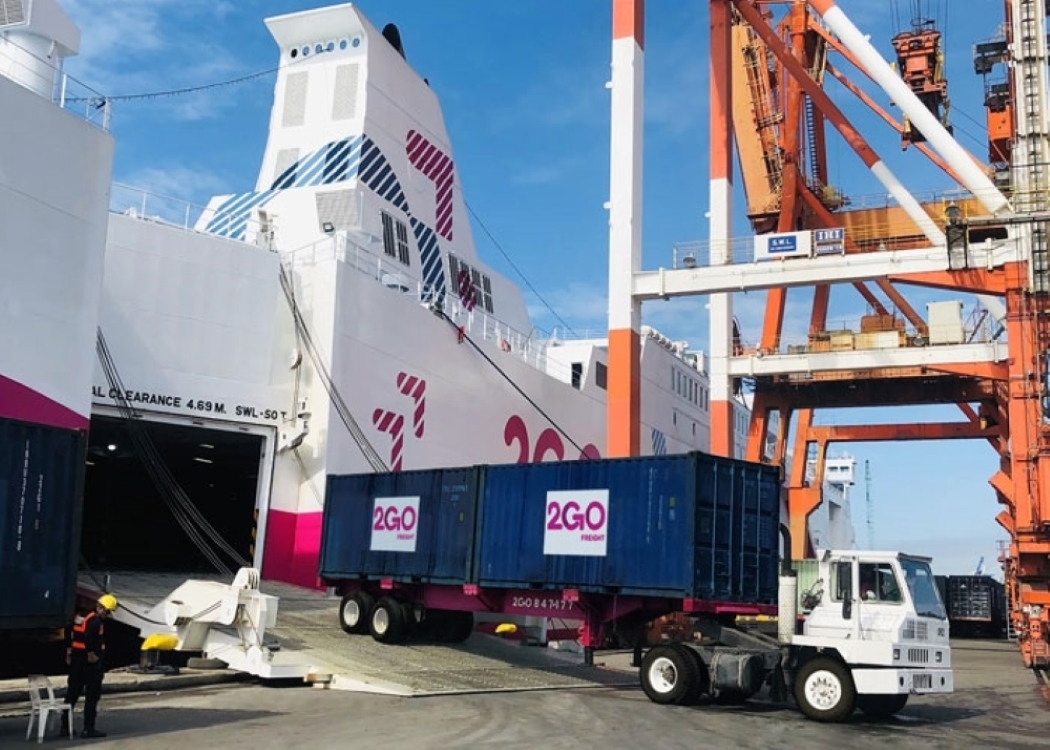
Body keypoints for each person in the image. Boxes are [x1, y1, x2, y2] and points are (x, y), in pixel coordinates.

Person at [64, 594, 118, 739]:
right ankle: (89, 728)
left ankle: (65, 726)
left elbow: (69, 630)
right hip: (90, 663)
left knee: (72, 692)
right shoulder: (95, 621)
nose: (108, 615)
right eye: (108, 612)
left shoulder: (80, 616)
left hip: (76, 659)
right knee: (92, 695)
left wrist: (68, 650)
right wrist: (91, 653)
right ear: (102, 608)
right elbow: (88, 636)